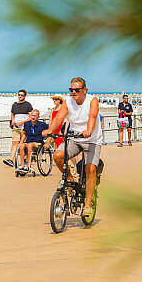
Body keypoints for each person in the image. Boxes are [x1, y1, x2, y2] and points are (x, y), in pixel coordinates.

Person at [42, 77, 103, 219]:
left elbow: (92, 117)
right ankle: (70, 180)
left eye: (77, 90)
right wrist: (50, 129)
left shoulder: (92, 100)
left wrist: (88, 130)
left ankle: (87, 205)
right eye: (71, 90)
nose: (73, 92)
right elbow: (59, 118)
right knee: (57, 155)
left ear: (85, 90)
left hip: (92, 140)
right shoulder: (68, 102)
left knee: (90, 169)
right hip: (75, 138)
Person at [3, 89, 33, 167]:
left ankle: (26, 159)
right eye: (19, 95)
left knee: (24, 144)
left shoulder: (28, 105)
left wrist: (22, 122)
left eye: (21, 95)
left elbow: (31, 117)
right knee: (14, 143)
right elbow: (12, 114)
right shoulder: (14, 105)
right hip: (15, 128)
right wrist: (12, 121)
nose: (20, 96)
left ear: (25, 96)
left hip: (24, 128)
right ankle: (11, 160)